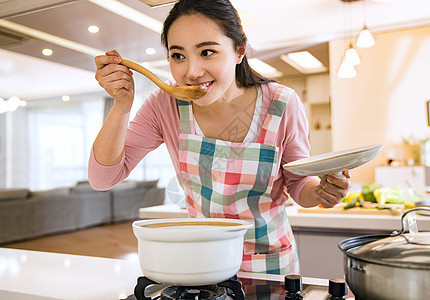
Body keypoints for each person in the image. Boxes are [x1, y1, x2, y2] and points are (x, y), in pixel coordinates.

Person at [89, 0, 350, 275]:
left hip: (270, 264)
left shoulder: (281, 103)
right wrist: (121, 105)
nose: (192, 72)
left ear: (239, 51)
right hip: (203, 262)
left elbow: (298, 185)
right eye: (178, 56)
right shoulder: (164, 105)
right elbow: (103, 178)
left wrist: (320, 192)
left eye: (207, 52)